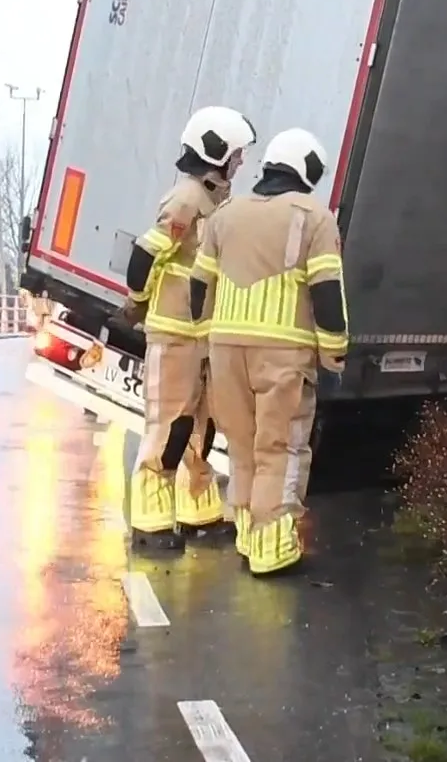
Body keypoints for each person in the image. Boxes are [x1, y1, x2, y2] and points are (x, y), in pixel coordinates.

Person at [189, 127, 348, 575]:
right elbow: (328, 293)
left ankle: (245, 532)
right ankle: (273, 545)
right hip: (284, 355)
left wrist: (205, 339)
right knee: (281, 447)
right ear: (306, 169)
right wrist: (334, 354)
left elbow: (199, 283)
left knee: (242, 444)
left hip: (225, 349)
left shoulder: (226, 214)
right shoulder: (314, 217)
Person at [123, 105, 256, 543]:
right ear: (215, 153)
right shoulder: (187, 201)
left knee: (203, 426)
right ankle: (149, 518)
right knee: (170, 426)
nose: (239, 163)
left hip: (203, 337)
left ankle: (198, 511)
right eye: (235, 156)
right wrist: (137, 303)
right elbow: (146, 255)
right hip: (176, 334)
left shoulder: (215, 202)